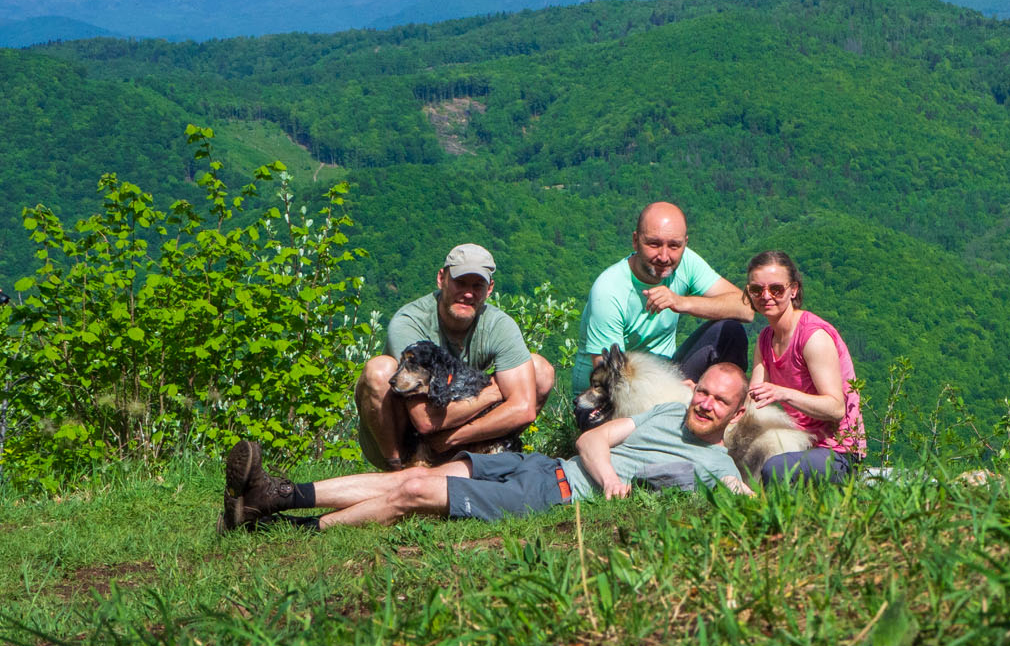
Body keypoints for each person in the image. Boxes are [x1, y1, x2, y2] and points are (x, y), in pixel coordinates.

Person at [220, 363, 755, 533]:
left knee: (412, 488)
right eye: (703, 391)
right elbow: (593, 438)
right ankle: (273, 496)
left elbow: (745, 499)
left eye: (719, 401)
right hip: (545, 464)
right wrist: (611, 477)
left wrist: (748, 493)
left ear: (738, 411)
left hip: (555, 494)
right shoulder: (666, 411)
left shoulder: (716, 465)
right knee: (406, 479)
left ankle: (281, 521)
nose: (705, 403)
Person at [355, 243, 556, 471]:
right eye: (460, 282)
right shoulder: (410, 322)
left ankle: (481, 456)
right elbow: (424, 420)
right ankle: (398, 470)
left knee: (539, 370)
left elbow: (524, 409)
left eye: (477, 285)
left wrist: (453, 438)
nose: (468, 293)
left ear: (489, 289)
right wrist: (495, 391)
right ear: (442, 279)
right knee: (379, 371)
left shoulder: (499, 326)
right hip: (406, 435)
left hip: (456, 437)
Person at [571, 202, 754, 400]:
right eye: (654, 244)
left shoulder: (686, 263)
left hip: (666, 373)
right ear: (635, 241)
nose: (664, 256)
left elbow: (745, 308)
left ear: (685, 243)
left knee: (729, 332)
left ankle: (728, 409)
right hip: (611, 397)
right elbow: (610, 380)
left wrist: (682, 303)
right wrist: (669, 392)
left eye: (674, 246)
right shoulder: (609, 291)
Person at [743, 250, 867, 483]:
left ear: (794, 290)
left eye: (776, 289)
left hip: (838, 452)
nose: (766, 296)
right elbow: (754, 399)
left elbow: (835, 408)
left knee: (775, 469)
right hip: (800, 442)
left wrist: (782, 393)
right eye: (756, 290)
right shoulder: (765, 339)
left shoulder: (813, 337)